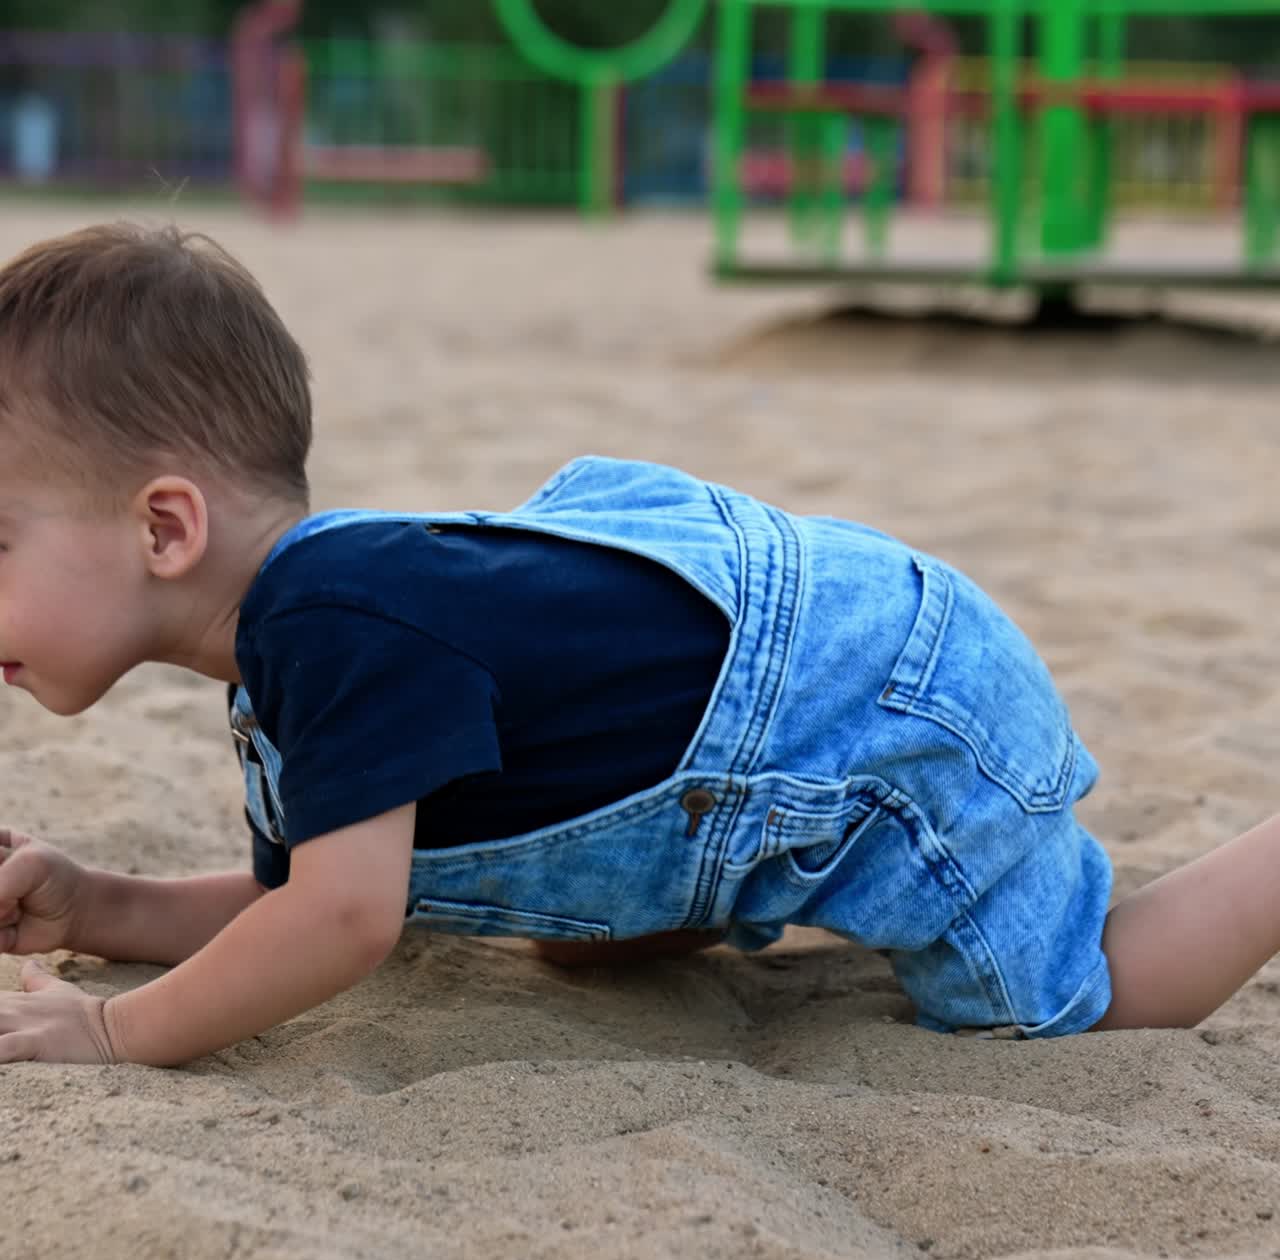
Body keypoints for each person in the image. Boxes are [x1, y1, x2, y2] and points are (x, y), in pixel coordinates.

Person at [0, 223, 1274, 1068]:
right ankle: (679, 902)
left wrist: (115, 1033)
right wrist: (100, 901)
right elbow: (298, 901)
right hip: (813, 663)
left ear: (165, 526)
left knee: (1077, 997)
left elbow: (340, 921)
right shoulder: (302, 639)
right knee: (572, 937)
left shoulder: (325, 626)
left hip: (883, 708)